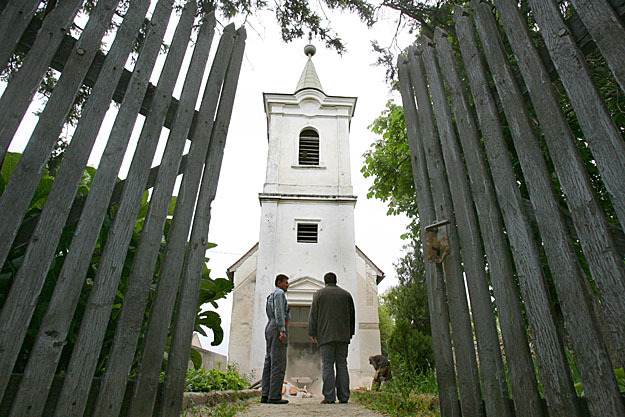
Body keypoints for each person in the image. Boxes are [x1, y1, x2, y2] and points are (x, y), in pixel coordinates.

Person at [308, 272, 355, 404]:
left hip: (325, 336)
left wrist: (312, 332)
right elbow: (352, 316)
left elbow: (313, 315)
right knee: (342, 365)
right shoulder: (346, 295)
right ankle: (344, 396)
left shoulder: (319, 295)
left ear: (325, 282)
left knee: (327, 365)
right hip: (343, 336)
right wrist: (350, 333)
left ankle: (329, 397)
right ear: (336, 280)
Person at [260, 274, 290, 404]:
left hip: (270, 327)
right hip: (276, 328)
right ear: (279, 283)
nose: (287, 285)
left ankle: (265, 395)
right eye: (285, 282)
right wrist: (282, 330)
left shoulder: (271, 295)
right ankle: (275, 396)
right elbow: (279, 312)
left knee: (269, 362)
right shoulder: (279, 294)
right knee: (278, 362)